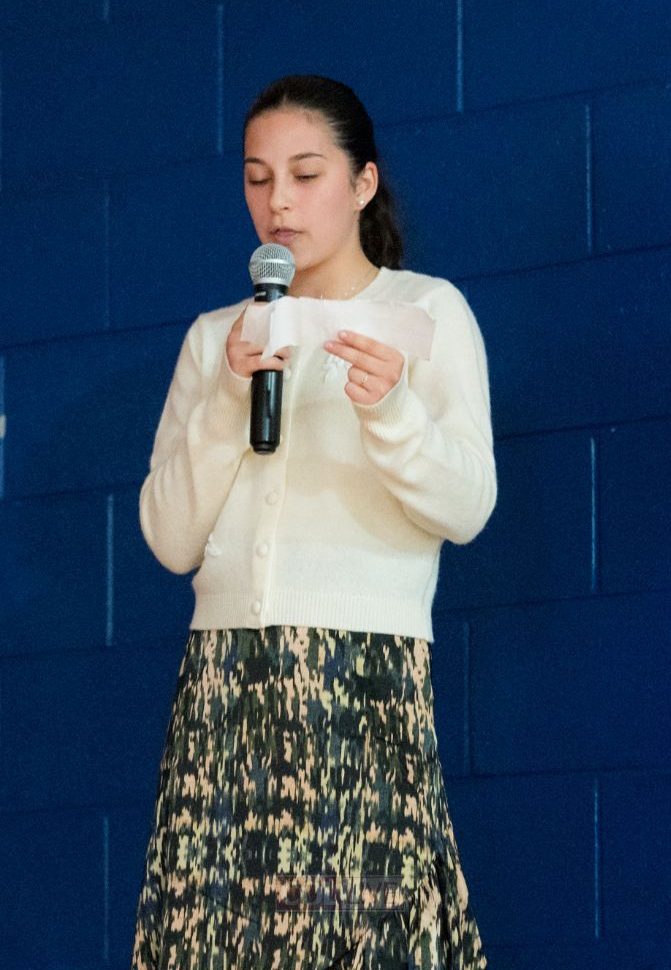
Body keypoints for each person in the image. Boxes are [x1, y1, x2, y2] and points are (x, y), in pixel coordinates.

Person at [130, 74, 496, 970]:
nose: (278, 203)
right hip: (223, 684)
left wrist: (390, 412)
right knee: (212, 939)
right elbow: (170, 539)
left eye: (304, 174)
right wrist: (228, 396)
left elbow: (466, 508)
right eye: (258, 178)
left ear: (363, 182)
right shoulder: (217, 336)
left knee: (364, 933)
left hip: (360, 675)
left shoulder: (425, 313)